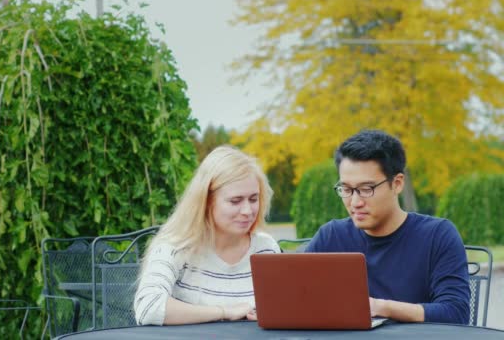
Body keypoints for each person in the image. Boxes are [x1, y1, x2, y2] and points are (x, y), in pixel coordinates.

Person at [305, 130, 470, 324]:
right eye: (347, 189)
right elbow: (293, 297)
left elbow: (456, 312)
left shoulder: (437, 235)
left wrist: (380, 307)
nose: (355, 202)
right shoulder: (331, 236)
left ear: (397, 184)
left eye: (367, 189)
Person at [134, 145, 281, 326]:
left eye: (253, 199)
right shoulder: (175, 246)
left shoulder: (266, 247)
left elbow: (284, 309)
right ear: (207, 200)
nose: (247, 210)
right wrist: (225, 312)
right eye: (235, 201)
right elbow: (148, 307)